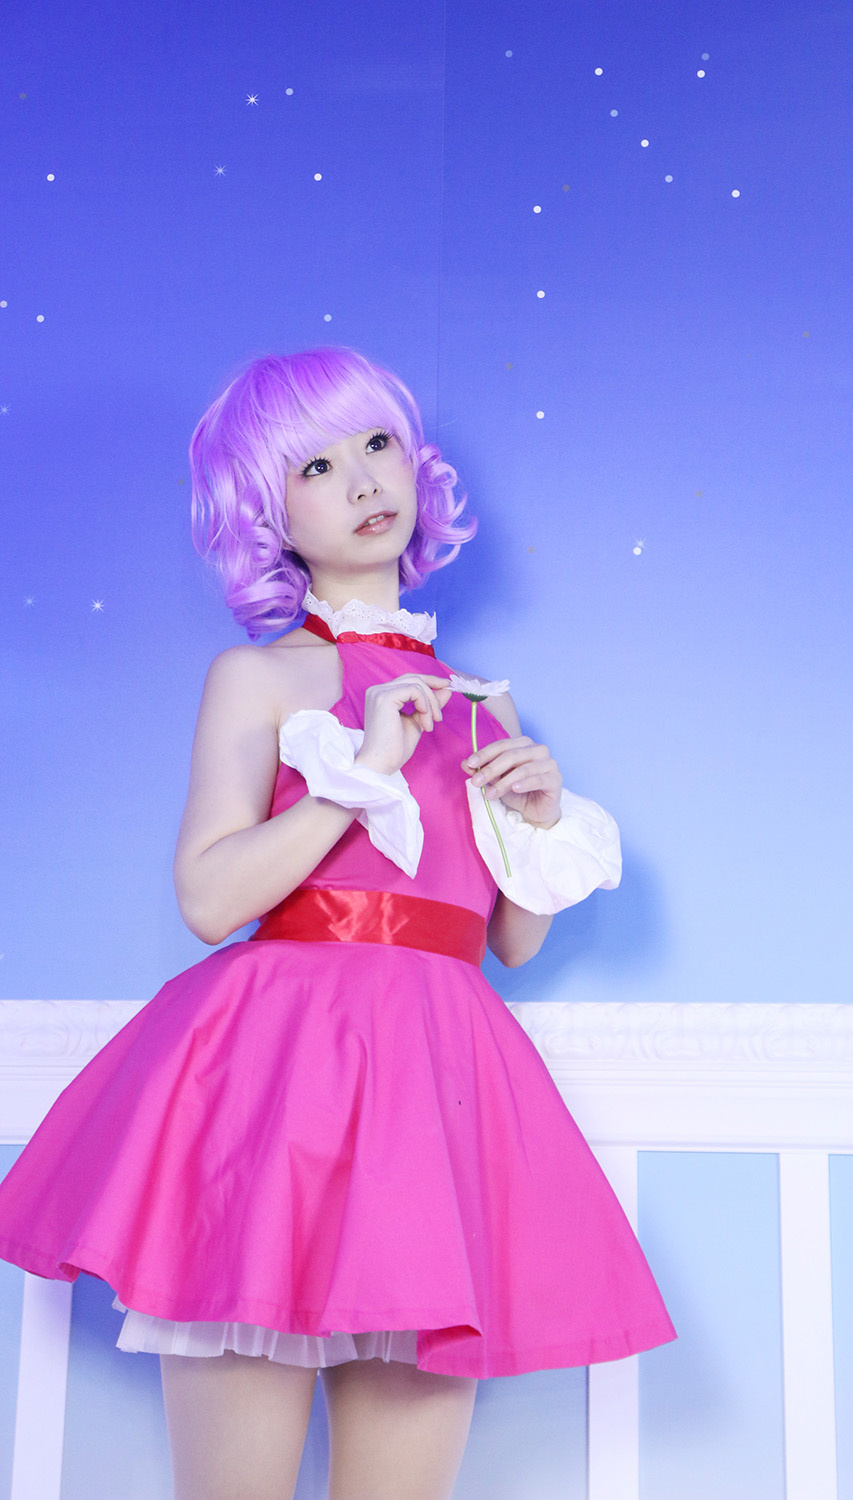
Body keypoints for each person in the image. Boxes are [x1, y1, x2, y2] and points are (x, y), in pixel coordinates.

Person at [0, 346, 676, 1500]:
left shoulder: (480, 701)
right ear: (266, 514)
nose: (363, 480)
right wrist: (355, 779)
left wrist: (538, 818)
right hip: (276, 1083)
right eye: (314, 465)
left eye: (377, 445)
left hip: (436, 1086)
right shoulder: (257, 679)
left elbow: (505, 943)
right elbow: (210, 900)